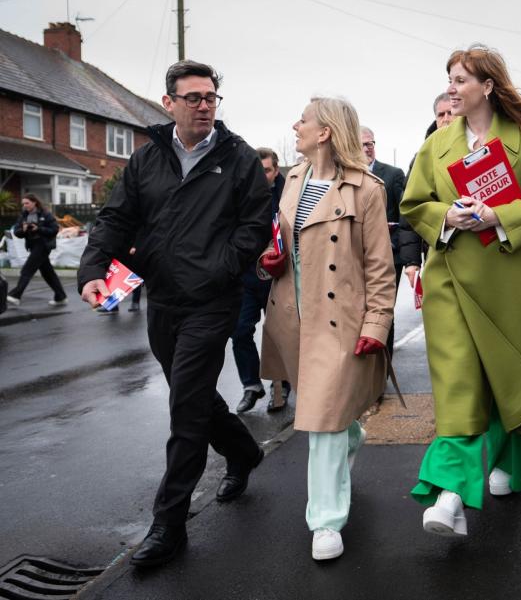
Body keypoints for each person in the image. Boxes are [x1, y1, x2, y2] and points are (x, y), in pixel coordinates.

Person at [77, 60, 271, 567]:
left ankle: (168, 525)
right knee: (195, 397)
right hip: (163, 300)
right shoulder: (148, 159)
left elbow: (254, 227)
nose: (204, 105)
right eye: (193, 98)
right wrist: (94, 267)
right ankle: (244, 451)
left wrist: (220, 269)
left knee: (184, 410)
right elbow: (117, 217)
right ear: (170, 104)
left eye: (211, 97)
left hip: (212, 301)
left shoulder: (239, 158)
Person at [401, 44, 521, 537]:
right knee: (458, 383)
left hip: (510, 276)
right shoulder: (436, 145)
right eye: (450, 79)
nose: (452, 88)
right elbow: (414, 203)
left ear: (488, 86)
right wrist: (445, 217)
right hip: (450, 276)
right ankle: (450, 495)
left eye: (461, 79)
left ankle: (513, 468)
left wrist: (498, 216)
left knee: (506, 378)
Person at [258, 97, 394, 561]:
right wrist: (268, 259)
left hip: (339, 320)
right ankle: (352, 434)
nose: (295, 125)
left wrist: (378, 321)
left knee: (320, 424)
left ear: (326, 132)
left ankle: (326, 521)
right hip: (291, 313)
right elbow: (285, 241)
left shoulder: (367, 189)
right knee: (331, 420)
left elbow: (380, 266)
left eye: (304, 120)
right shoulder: (293, 178)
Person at [233, 147, 291, 413]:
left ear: (275, 170)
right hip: (245, 276)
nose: (261, 175)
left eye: (266, 170)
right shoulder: (240, 192)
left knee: (277, 334)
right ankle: (251, 385)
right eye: (258, 170)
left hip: (276, 277)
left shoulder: (287, 195)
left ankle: (280, 387)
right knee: (240, 330)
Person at [397, 92, 455, 289]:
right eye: (441, 115)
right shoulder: (422, 157)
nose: (446, 119)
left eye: (451, 112)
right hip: (436, 251)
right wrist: (412, 262)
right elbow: (410, 212)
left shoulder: (478, 148)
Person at [360, 126, 406, 358]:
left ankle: (384, 368)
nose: (368, 148)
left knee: (383, 312)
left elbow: (405, 214)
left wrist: (396, 244)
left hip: (390, 256)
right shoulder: (347, 176)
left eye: (371, 143)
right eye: (362, 144)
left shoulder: (393, 174)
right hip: (358, 258)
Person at [6, 194, 68, 307]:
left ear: (34, 202)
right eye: (23, 204)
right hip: (33, 246)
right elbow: (16, 232)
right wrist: (23, 230)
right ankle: (61, 296)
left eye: (27, 203)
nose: (25, 206)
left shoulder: (45, 214)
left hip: (43, 245)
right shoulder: (24, 215)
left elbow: (54, 229)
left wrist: (39, 229)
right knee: (48, 273)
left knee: (27, 270)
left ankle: (15, 295)